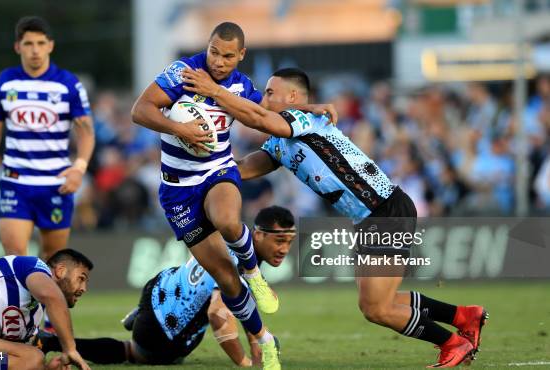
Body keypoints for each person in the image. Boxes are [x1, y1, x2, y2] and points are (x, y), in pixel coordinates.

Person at [181, 67, 488, 368]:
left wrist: (214, 91)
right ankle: (464, 317)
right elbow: (244, 167)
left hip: (384, 210)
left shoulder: (304, 118)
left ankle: (452, 343)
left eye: (271, 92)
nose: (265, 97)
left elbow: (260, 118)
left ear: (292, 97)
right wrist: (201, 162)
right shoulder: (279, 141)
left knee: (376, 308)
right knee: (377, 302)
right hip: (369, 218)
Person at [131, 21, 333, 370]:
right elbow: (141, 110)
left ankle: (254, 274)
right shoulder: (182, 73)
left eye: (227, 56)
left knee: (227, 220)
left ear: (241, 55)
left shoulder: (241, 85)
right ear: (207, 46)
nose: (219, 61)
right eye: (213, 52)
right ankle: (264, 339)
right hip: (177, 191)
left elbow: (263, 114)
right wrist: (180, 129)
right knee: (225, 278)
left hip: (217, 171)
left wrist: (308, 111)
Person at [36, 206, 297, 367]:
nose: (284, 249)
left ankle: (137, 317)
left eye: (289, 242)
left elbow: (241, 301)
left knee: (138, 346)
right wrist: (243, 362)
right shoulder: (240, 265)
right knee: (141, 355)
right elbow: (218, 316)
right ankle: (51, 342)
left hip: (161, 286)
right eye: (280, 241)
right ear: (259, 235)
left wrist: (255, 339)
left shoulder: (235, 242)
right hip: (164, 323)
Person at [0, 16, 95, 261]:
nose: (35, 50)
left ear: (50, 46)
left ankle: (45, 301)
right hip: (16, 181)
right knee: (16, 259)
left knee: (53, 260)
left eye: (40, 43)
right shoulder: (6, 82)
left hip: (56, 182)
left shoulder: (68, 85)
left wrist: (79, 168)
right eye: (28, 44)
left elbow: (86, 132)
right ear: (18, 47)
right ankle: (23, 301)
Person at [0, 249, 93, 370]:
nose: (84, 288)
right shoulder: (32, 266)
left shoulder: (34, 315)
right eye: (81, 278)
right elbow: (51, 295)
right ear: (60, 271)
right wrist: (70, 348)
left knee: (32, 358)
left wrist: (46, 368)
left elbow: (5, 359)